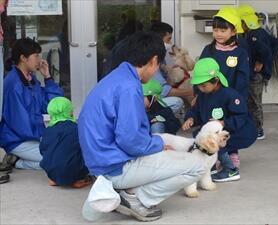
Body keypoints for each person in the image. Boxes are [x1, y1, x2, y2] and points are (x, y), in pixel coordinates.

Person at [78, 31, 206, 222]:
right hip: (113, 165)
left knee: (164, 142)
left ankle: (122, 191)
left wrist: (157, 144)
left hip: (101, 158)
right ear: (153, 60)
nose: (157, 72)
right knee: (198, 166)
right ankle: (133, 199)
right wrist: (157, 147)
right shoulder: (130, 87)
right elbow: (129, 140)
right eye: (159, 65)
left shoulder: (117, 77)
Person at [183, 58, 256, 182]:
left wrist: (224, 123)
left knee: (215, 142)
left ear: (216, 81)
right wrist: (191, 119)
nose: (200, 88)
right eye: (198, 85)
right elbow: (196, 112)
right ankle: (210, 165)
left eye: (204, 85)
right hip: (220, 130)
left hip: (240, 131)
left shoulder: (230, 95)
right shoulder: (203, 96)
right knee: (199, 137)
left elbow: (240, 116)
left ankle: (230, 170)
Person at [197, 7, 251, 168]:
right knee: (209, 124)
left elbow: (243, 78)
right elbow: (200, 73)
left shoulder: (240, 53)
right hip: (209, 96)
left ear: (234, 31)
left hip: (230, 97)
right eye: (215, 30)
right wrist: (197, 94)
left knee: (228, 125)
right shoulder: (208, 50)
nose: (218, 34)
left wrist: (238, 98)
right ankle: (211, 154)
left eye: (223, 30)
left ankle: (231, 152)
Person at [0, 38, 63, 170]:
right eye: (36, 56)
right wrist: (45, 139)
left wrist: (47, 77)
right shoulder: (13, 84)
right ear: (23, 58)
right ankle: (17, 161)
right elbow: (19, 123)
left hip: (32, 136)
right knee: (58, 158)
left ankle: (17, 161)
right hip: (17, 139)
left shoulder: (31, 79)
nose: (39, 60)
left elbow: (53, 105)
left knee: (62, 154)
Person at [238, 4, 278, 140]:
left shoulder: (254, 35)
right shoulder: (259, 32)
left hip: (256, 75)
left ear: (244, 22)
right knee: (251, 101)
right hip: (252, 74)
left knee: (254, 102)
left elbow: (265, 50)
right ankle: (252, 127)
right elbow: (275, 42)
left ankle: (258, 129)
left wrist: (261, 62)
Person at [39, 97, 93, 188]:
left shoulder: (48, 131)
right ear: (70, 112)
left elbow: (42, 149)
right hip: (75, 170)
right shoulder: (77, 128)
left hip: (51, 171)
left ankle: (55, 179)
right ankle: (78, 179)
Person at [151, 22, 193, 113]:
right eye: (168, 39)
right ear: (158, 39)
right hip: (150, 100)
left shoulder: (160, 59)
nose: (170, 43)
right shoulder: (151, 60)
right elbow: (163, 91)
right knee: (177, 102)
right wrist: (191, 92)